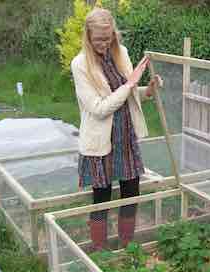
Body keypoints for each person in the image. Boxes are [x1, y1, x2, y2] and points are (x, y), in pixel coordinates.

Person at [71, 8, 160, 250]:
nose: (103, 43)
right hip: (101, 141)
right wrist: (131, 83)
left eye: (108, 37)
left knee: (131, 192)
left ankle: (127, 246)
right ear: (87, 36)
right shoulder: (80, 64)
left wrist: (147, 91)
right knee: (102, 198)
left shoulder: (122, 54)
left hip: (125, 137)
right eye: (98, 39)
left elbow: (126, 95)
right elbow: (99, 108)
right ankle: (99, 249)